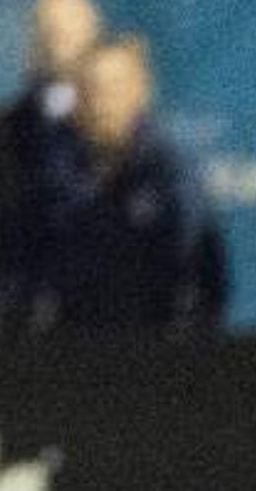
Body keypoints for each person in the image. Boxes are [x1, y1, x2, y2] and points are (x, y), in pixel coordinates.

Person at [30, 37, 226, 328]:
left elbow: (199, 271)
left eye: (114, 90)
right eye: (90, 91)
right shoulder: (49, 174)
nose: (101, 104)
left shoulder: (170, 173)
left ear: (140, 91)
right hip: (68, 355)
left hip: (156, 352)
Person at [0, 0, 101, 328]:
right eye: (45, 31)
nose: (55, 42)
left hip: (98, 306)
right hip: (27, 307)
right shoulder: (6, 129)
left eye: (66, 32)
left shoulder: (117, 131)